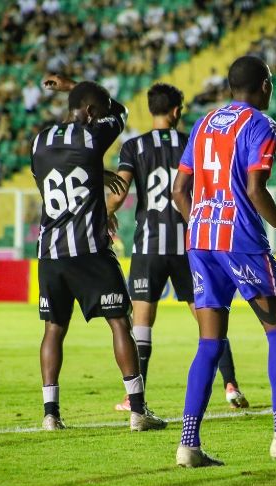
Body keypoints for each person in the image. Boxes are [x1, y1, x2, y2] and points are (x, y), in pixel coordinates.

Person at [171, 55, 276, 467]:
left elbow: (179, 189)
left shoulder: (202, 124)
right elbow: (256, 189)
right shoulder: (261, 125)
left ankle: (188, 446)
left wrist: (202, 221)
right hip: (240, 238)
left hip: (201, 240)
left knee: (208, 343)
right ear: (265, 85)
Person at [32, 74, 166, 433]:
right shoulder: (92, 135)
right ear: (90, 111)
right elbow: (120, 111)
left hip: (49, 252)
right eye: (99, 112)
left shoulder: (39, 141)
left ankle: (50, 414)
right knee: (120, 321)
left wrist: (93, 173)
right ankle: (138, 411)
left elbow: (55, 176)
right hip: (88, 248)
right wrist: (73, 84)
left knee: (53, 329)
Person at [106, 82, 250, 412]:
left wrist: (105, 216)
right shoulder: (194, 141)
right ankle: (229, 384)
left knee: (141, 322)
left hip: (149, 246)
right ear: (176, 111)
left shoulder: (133, 146)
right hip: (192, 243)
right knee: (208, 317)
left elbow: (119, 192)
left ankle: (134, 397)